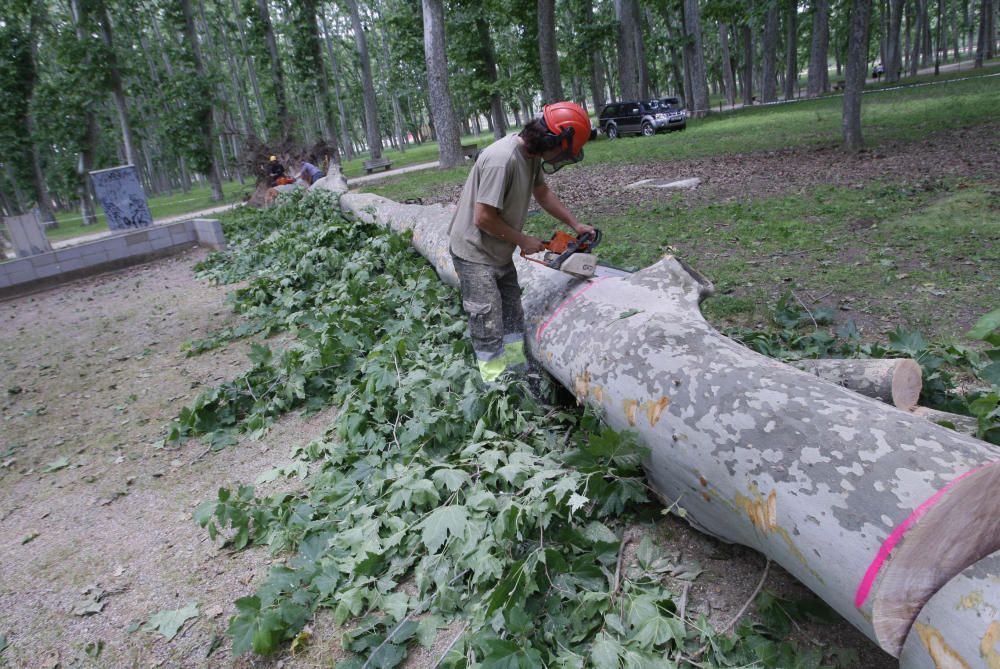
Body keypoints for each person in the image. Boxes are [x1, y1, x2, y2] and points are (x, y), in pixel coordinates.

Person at [448, 101, 596, 384]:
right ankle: (495, 385)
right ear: (553, 140)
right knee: (487, 317)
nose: (560, 158)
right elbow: (483, 218)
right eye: (563, 152)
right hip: (473, 251)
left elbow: (542, 192)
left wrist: (575, 225)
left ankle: (519, 370)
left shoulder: (531, 156)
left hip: (498, 249)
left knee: (513, 311)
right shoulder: (501, 160)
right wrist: (523, 240)